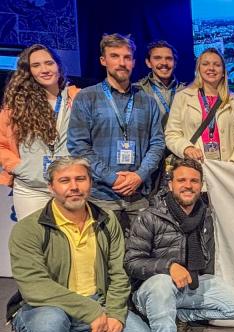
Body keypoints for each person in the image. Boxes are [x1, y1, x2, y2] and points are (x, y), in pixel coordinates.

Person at [8, 157, 152, 332]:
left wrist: (115, 313)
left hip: (98, 303)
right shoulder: (29, 228)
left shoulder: (107, 220)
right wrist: (90, 311)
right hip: (48, 306)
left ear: (91, 183)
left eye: (80, 179)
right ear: (51, 187)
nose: (74, 187)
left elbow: (118, 273)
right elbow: (35, 286)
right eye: (64, 180)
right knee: (49, 326)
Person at [125, 158, 234, 332]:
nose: (188, 186)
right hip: (153, 289)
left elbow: (207, 259)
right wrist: (169, 267)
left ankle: (175, 315)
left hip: (190, 285)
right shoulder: (149, 217)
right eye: (181, 180)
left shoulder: (205, 215)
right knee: (162, 284)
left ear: (201, 185)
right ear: (170, 184)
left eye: (194, 181)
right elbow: (131, 262)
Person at [68, 33, 165, 230]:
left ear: (134, 61)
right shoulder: (87, 98)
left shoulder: (147, 100)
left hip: (139, 196)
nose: (122, 63)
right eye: (115, 56)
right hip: (101, 196)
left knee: (140, 258)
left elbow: (157, 144)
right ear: (103, 60)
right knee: (104, 258)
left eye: (127, 57)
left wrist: (139, 175)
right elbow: (78, 146)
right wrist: (114, 178)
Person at [0, 44, 80, 220]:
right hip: (31, 189)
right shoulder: (16, 106)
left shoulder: (78, 98)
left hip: (69, 187)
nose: (44, 69)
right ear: (28, 71)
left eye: (49, 63)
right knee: (35, 245)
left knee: (69, 244)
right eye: (36, 65)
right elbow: (1, 143)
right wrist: (18, 167)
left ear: (58, 66)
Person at [165, 47, 234, 166]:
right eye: (205, 64)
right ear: (198, 69)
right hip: (194, 168)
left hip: (227, 169)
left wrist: (232, 164)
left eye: (217, 65)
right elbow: (171, 134)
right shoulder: (182, 97)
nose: (211, 68)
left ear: (223, 72)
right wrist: (186, 148)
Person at [136, 40, 185, 128]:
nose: (164, 63)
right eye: (157, 58)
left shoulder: (186, 91)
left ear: (175, 63)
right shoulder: (137, 90)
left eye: (169, 58)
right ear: (148, 63)